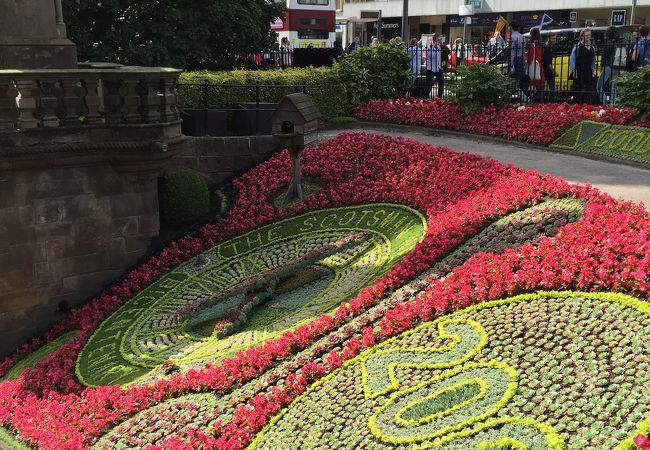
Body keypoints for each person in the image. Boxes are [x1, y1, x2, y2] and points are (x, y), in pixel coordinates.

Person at [597, 26, 624, 104]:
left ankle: (605, 103)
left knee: (599, 86)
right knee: (613, 88)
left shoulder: (608, 42)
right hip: (616, 67)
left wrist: (602, 65)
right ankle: (613, 105)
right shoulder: (619, 43)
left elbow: (605, 56)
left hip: (608, 67)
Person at [570, 28, 596, 104]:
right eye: (587, 35)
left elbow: (593, 59)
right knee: (579, 90)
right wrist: (574, 71)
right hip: (579, 71)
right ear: (582, 36)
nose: (589, 37)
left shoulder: (592, 47)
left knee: (588, 89)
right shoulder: (577, 47)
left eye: (589, 35)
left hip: (588, 71)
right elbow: (572, 59)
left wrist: (592, 69)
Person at [526, 27, 545, 102]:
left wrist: (526, 63)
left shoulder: (532, 45)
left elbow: (530, 59)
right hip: (540, 67)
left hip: (534, 67)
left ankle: (531, 99)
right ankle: (541, 102)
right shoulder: (541, 45)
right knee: (540, 88)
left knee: (530, 85)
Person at [426, 34, 444, 98]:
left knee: (441, 82)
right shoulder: (429, 46)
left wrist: (441, 66)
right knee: (429, 83)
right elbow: (431, 56)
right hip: (431, 68)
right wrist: (434, 47)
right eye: (439, 39)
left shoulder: (439, 47)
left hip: (438, 67)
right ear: (435, 39)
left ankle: (439, 97)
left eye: (440, 39)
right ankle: (426, 96)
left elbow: (439, 57)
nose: (440, 40)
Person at [542, 32, 557, 102]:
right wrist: (554, 72)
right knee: (551, 88)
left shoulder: (551, 47)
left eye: (555, 38)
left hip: (547, 70)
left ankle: (550, 102)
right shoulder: (547, 48)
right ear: (549, 39)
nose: (554, 40)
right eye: (553, 38)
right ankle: (550, 102)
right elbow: (548, 63)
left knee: (551, 88)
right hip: (545, 70)